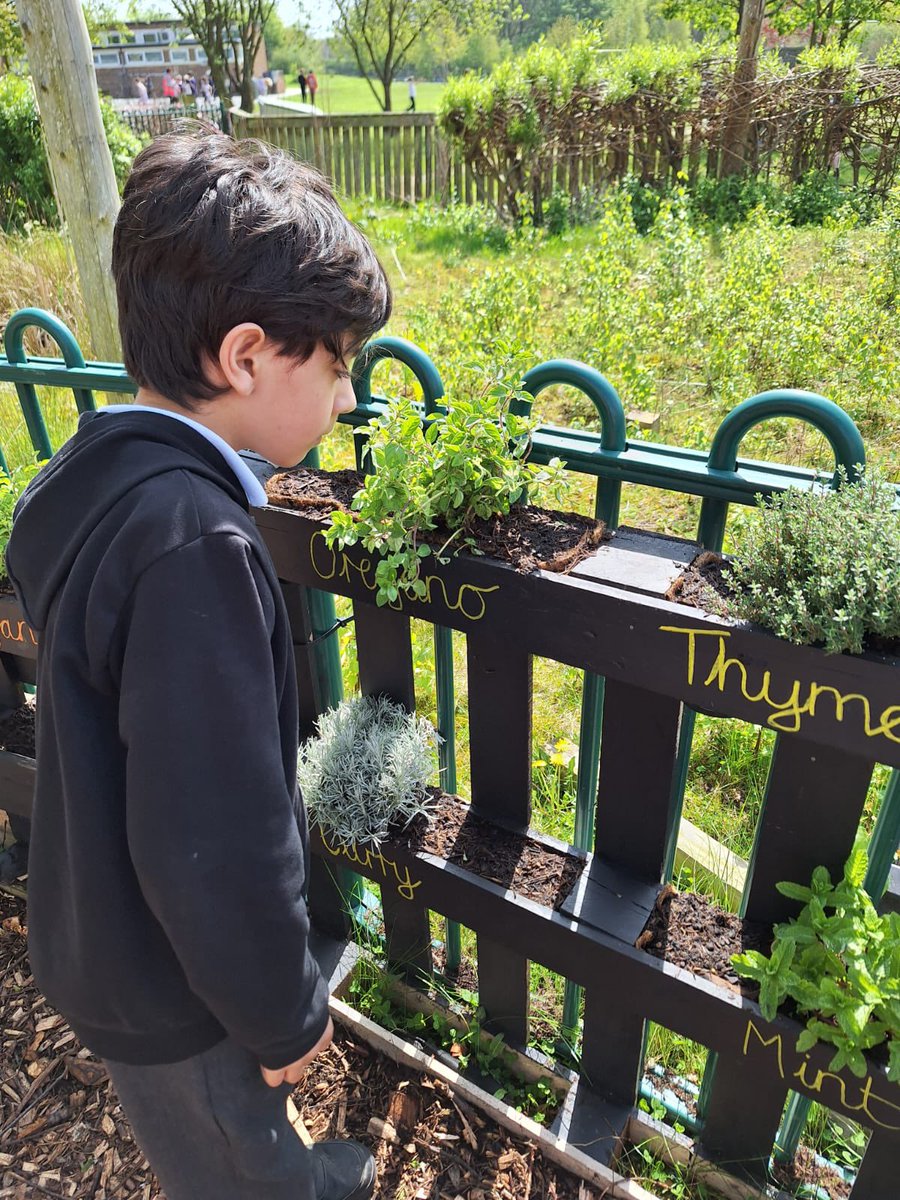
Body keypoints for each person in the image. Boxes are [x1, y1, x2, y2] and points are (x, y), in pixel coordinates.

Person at [5, 132, 392, 1200]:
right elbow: (216, 837)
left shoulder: (88, 477)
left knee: (192, 1128)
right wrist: (284, 1013)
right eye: (339, 364)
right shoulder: (195, 548)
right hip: (181, 987)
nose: (348, 399)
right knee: (235, 1150)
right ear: (248, 355)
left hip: (101, 928)